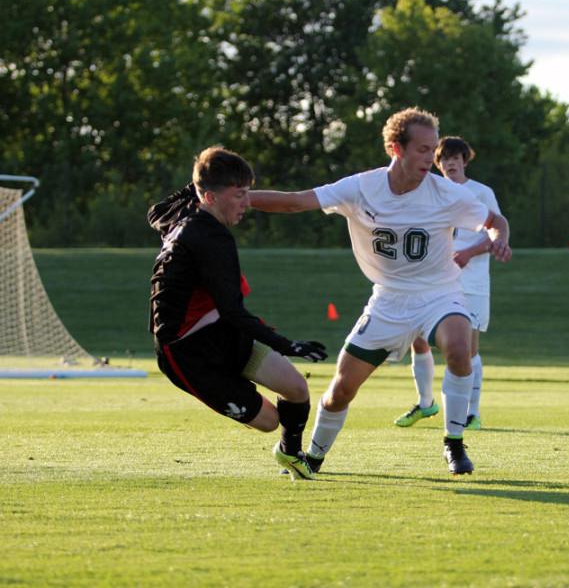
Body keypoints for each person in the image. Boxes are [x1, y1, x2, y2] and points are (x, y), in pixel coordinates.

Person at [250, 108, 512, 475]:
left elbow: (493, 221)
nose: (430, 158)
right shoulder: (361, 188)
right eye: (422, 150)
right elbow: (296, 201)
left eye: (433, 149)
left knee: (458, 344)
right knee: (342, 388)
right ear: (395, 148)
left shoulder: (447, 193)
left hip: (439, 292)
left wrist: (500, 238)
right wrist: (241, 198)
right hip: (388, 299)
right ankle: (313, 457)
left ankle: (454, 443)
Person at [148, 146, 328, 482]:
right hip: (188, 354)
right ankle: (268, 428)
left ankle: (290, 455)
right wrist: (287, 344)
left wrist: (202, 173)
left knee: (296, 388)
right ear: (212, 197)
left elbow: (156, 211)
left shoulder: (188, 212)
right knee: (270, 421)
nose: (249, 203)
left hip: (220, 333)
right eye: (241, 194)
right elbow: (233, 311)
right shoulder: (210, 240)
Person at [394, 136, 501, 431]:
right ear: (437, 164)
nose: (450, 163)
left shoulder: (481, 193)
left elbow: (496, 232)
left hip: (472, 281)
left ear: (465, 161)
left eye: (456, 158)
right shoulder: (427, 191)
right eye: (444, 159)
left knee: (469, 347)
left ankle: (472, 412)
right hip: (433, 280)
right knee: (418, 338)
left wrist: (469, 252)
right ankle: (425, 402)